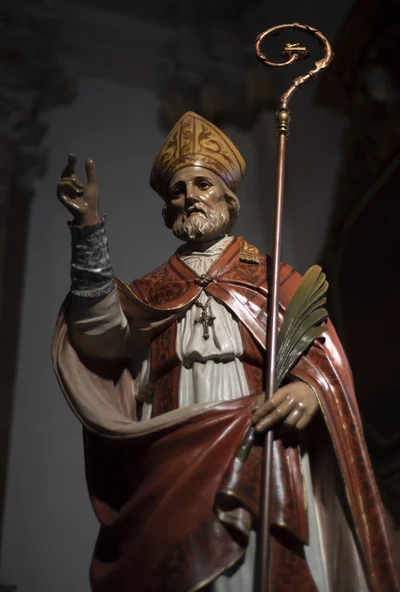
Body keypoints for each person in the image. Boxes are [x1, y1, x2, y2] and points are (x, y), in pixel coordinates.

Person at [53, 111, 399, 592]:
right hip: (175, 439)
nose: (191, 195)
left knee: (254, 565)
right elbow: (98, 336)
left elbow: (324, 354)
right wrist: (88, 227)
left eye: (202, 183)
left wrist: (310, 390)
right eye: (178, 190)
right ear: (167, 211)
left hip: (260, 436)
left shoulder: (271, 277)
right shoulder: (150, 290)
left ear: (227, 197)